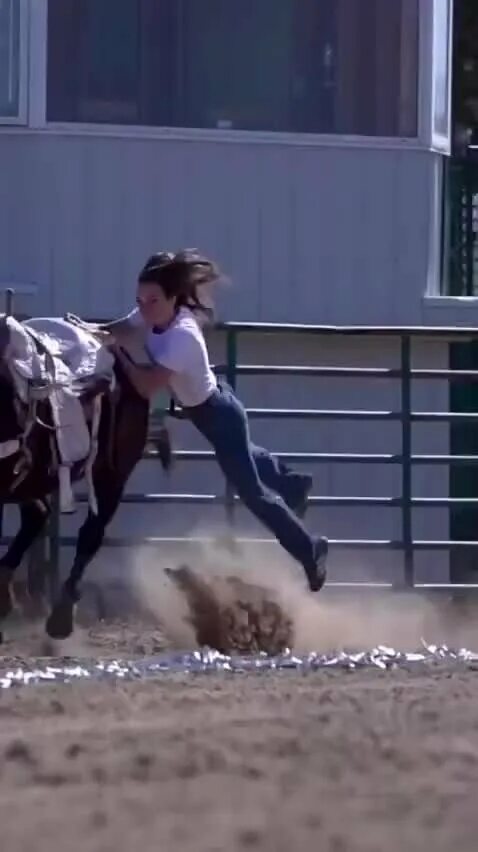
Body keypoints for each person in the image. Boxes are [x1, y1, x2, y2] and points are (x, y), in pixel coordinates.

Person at [106, 250, 328, 592]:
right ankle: (293, 483)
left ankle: (310, 549)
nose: (144, 307)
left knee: (253, 494)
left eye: (151, 300)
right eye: (140, 300)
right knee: (246, 455)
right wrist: (92, 332)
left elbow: (148, 385)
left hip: (218, 414)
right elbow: (123, 327)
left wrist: (117, 353)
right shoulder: (155, 314)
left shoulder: (182, 335)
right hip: (208, 410)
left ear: (173, 298)